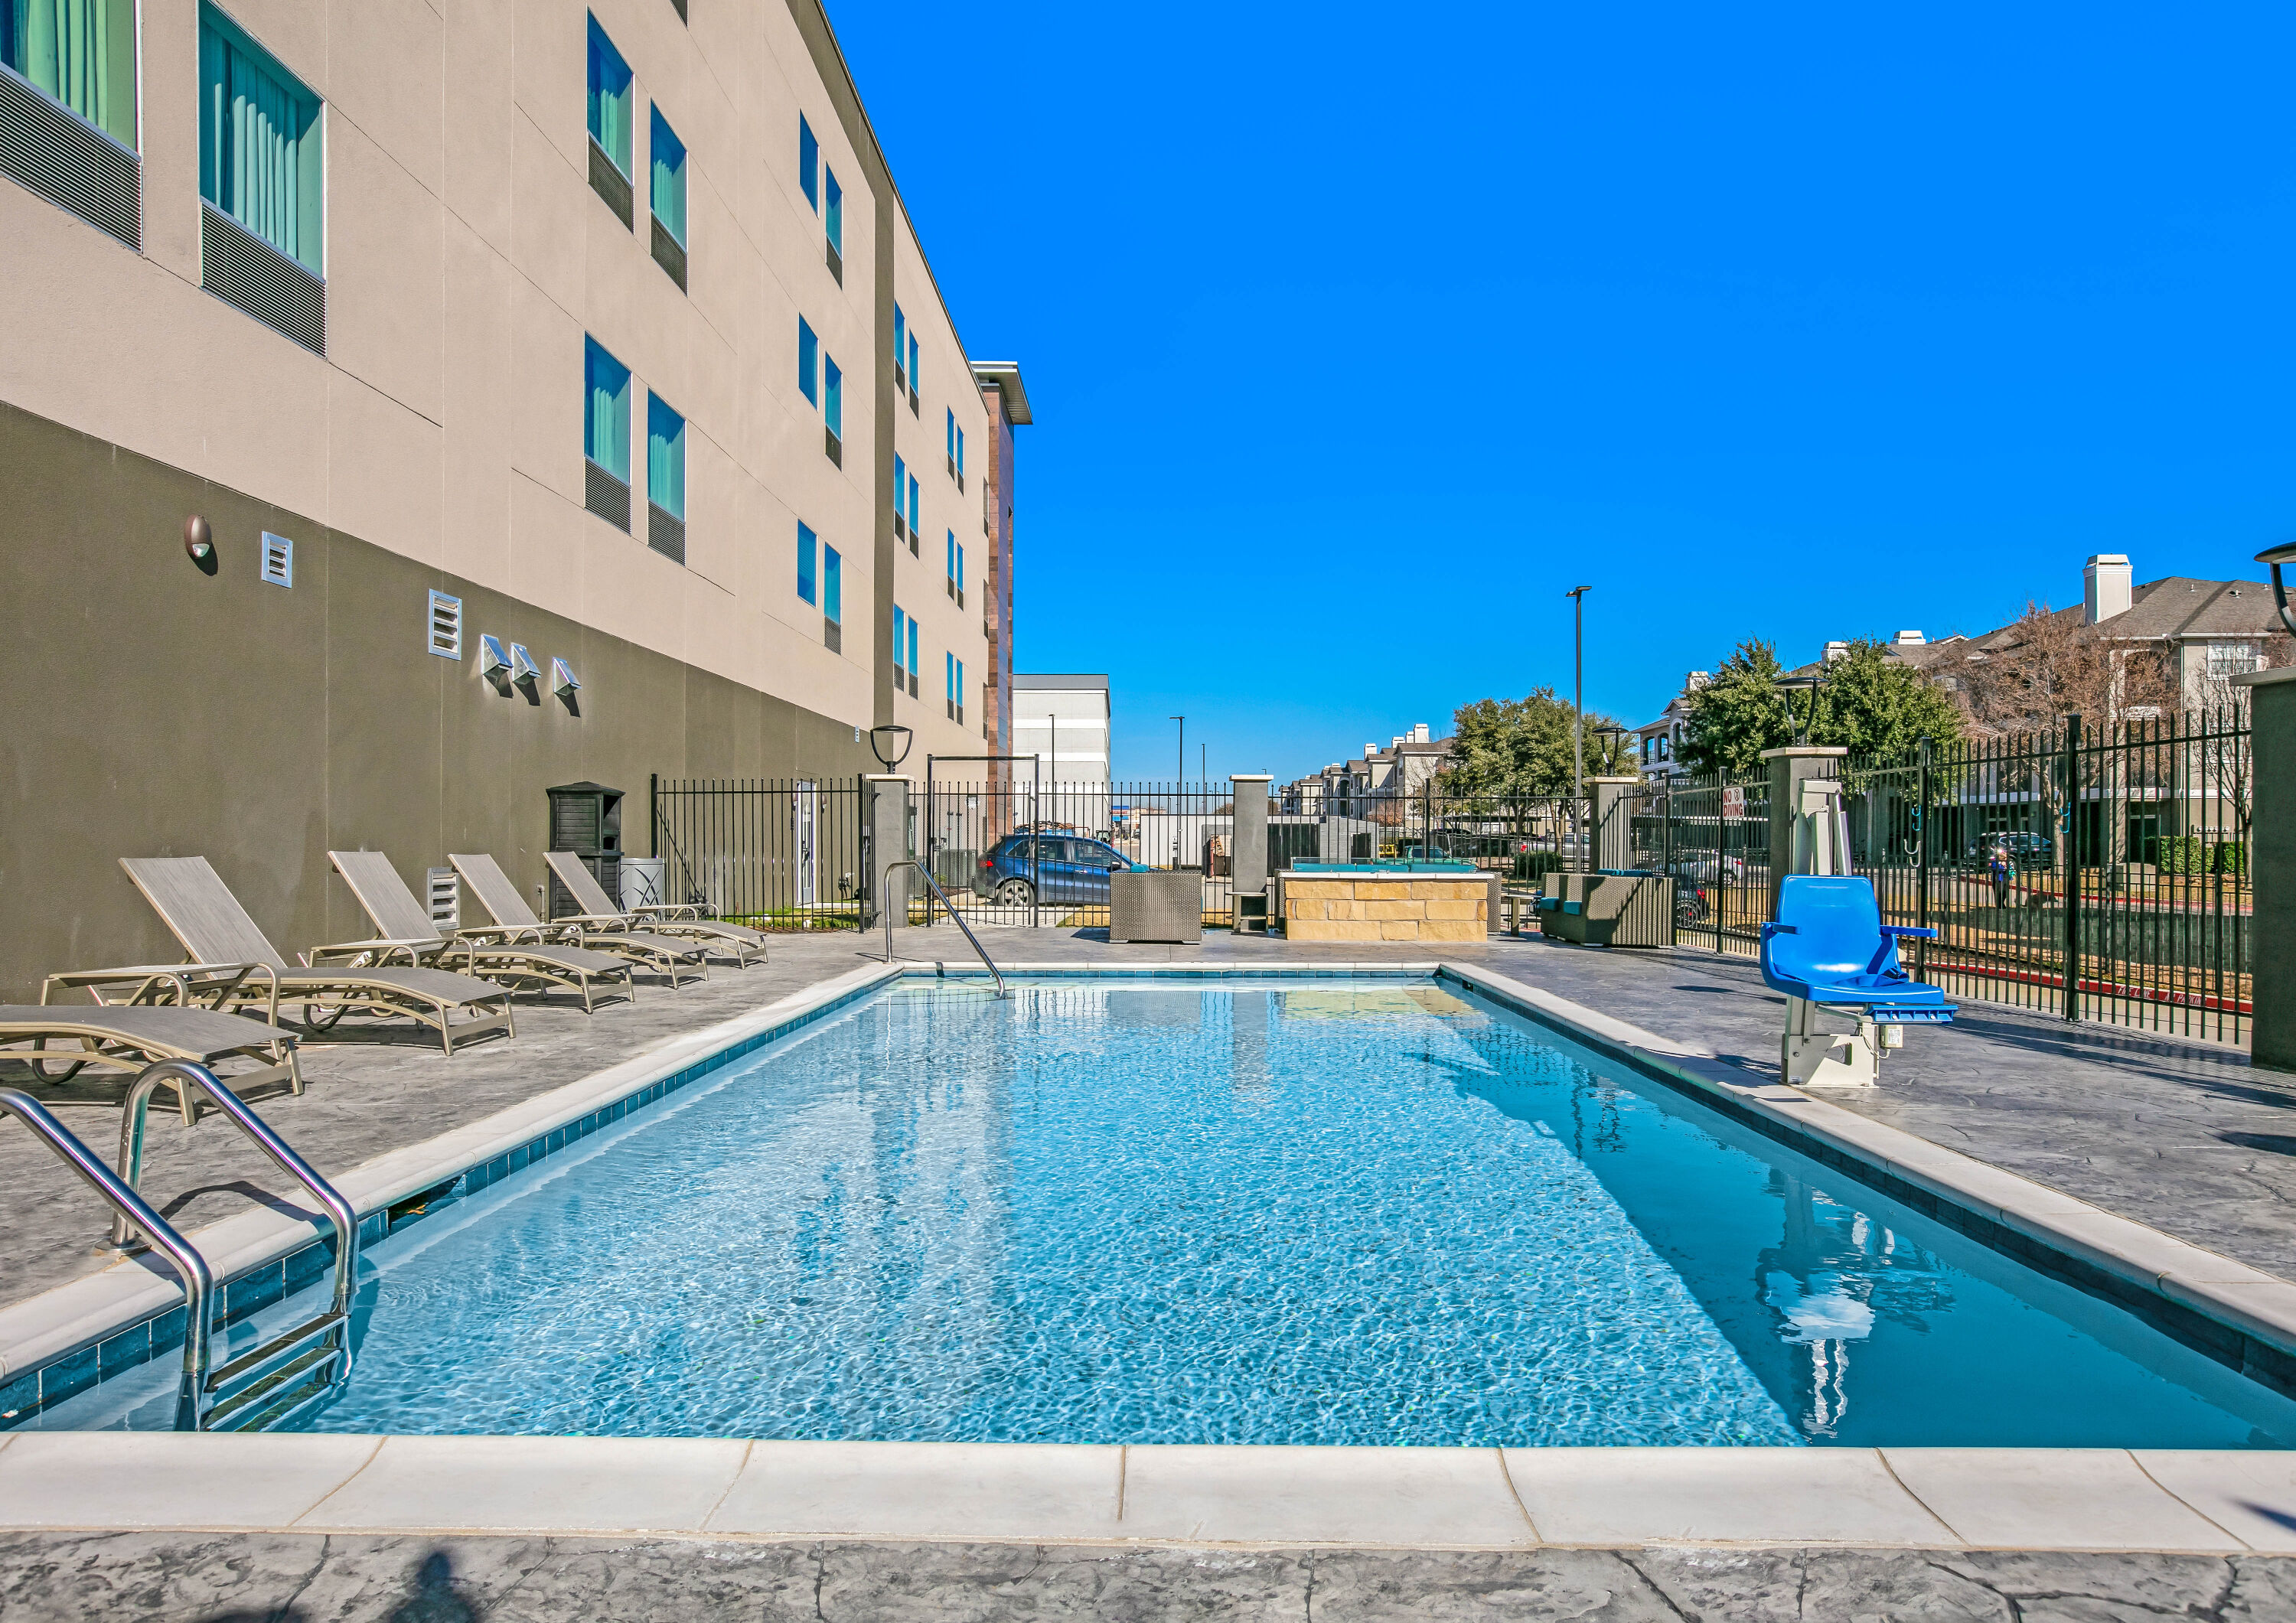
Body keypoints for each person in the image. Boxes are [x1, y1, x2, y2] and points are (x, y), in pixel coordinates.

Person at [1988, 842, 2014, 908]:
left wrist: (2007, 867)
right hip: (1997, 879)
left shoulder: (2009, 862)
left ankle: (2001, 904)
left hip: (2005, 878)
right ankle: (1999, 905)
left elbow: (2012, 869)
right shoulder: (1995, 862)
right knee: (1998, 892)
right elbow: (1993, 868)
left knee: (2005, 892)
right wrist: (2000, 865)